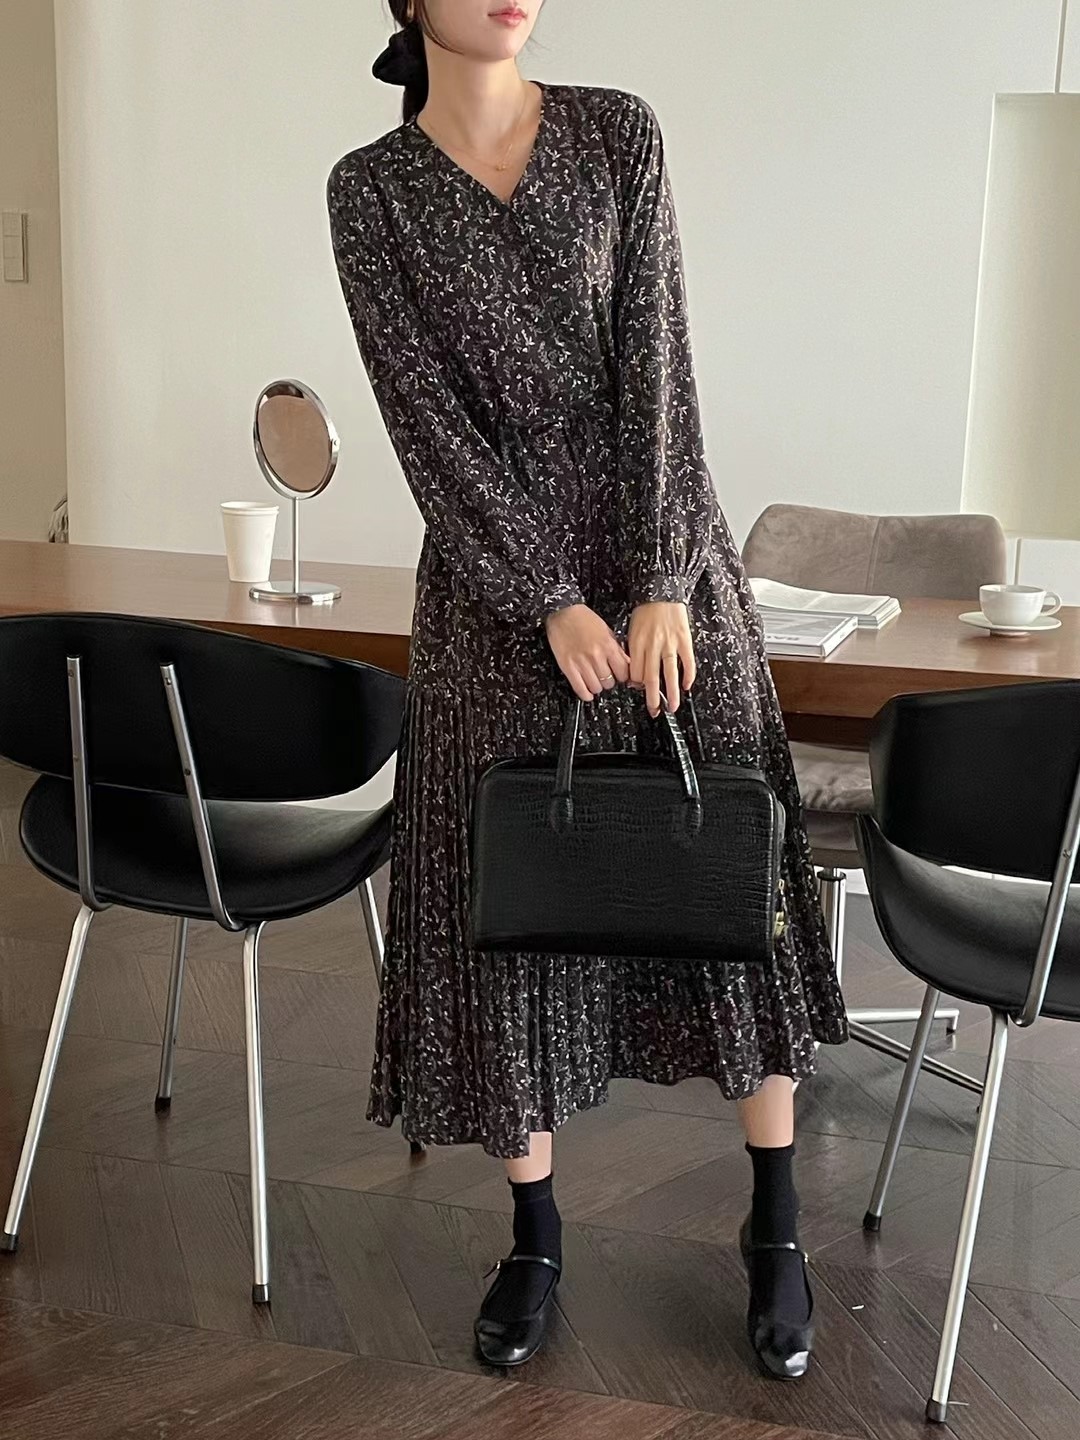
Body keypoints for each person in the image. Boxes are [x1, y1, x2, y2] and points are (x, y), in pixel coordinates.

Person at [327, 0, 846, 1379]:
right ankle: (536, 1236)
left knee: (726, 868)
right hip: (498, 602)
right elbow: (423, 421)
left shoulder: (618, 133)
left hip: (664, 567)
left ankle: (776, 1228)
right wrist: (543, 593)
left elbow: (659, 360)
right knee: (515, 903)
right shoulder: (371, 192)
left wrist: (662, 572)